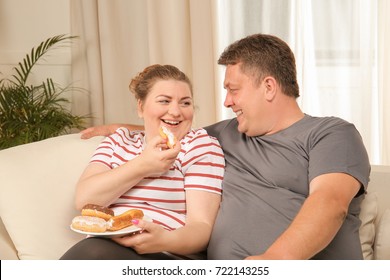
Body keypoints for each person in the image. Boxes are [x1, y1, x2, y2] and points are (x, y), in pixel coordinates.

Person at [79, 34, 371, 260]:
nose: (227, 102)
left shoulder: (331, 133)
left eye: (233, 89)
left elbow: (330, 203)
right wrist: (121, 129)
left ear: (268, 87)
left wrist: (273, 263)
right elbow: (174, 129)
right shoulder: (225, 134)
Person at [60, 64, 225, 260]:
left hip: (168, 253)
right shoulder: (118, 141)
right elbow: (84, 199)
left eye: (185, 103)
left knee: (91, 255)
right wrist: (143, 165)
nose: (175, 111)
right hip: (105, 245)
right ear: (141, 107)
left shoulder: (199, 145)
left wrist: (164, 240)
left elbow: (202, 228)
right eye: (164, 101)